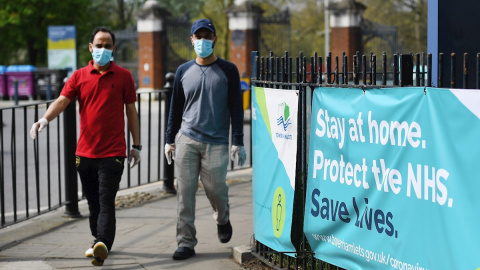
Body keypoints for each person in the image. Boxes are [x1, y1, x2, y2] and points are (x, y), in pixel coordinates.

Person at [29, 27, 141, 267]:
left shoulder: (123, 76)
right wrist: (44, 119)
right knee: (92, 202)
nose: (103, 49)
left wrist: (137, 145)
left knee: (106, 200)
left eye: (108, 45)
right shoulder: (79, 76)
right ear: (90, 47)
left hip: (113, 153)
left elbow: (131, 110)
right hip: (85, 154)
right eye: (99, 45)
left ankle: (102, 242)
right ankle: (98, 240)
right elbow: (61, 101)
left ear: (113, 49)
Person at [164, 18, 246, 260]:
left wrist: (237, 140)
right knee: (185, 194)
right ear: (192, 40)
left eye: (207, 36)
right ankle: (186, 242)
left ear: (215, 39)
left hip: (217, 142)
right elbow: (175, 108)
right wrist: (169, 140)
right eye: (198, 37)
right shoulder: (183, 71)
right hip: (187, 139)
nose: (202, 41)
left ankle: (223, 218)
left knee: (216, 190)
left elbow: (236, 108)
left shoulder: (228, 70)